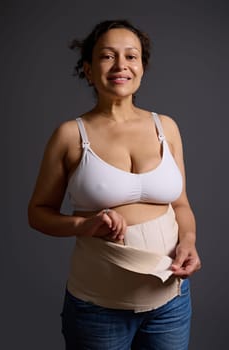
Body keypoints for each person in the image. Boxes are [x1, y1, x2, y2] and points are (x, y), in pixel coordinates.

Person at [28, 19, 201, 350]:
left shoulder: (166, 127)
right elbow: (37, 213)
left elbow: (180, 205)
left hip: (170, 302)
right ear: (89, 70)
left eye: (131, 56)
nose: (121, 65)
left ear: (142, 67)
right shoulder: (70, 135)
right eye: (107, 56)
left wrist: (189, 241)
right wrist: (85, 224)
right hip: (98, 309)